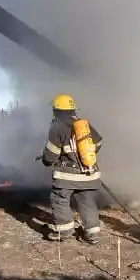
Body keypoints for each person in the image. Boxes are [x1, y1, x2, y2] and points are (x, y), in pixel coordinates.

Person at [39, 93, 103, 244]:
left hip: (67, 177)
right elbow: (99, 144)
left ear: (56, 110)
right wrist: (85, 156)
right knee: (88, 202)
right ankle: (92, 234)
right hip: (89, 174)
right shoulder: (85, 125)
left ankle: (64, 230)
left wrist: (45, 159)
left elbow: (50, 156)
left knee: (59, 199)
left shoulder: (57, 127)